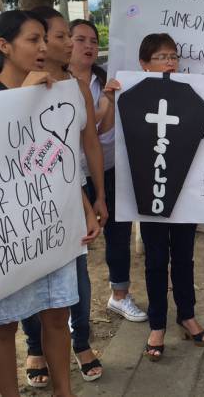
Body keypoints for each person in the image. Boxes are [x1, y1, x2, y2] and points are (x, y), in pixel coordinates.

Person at [0, 9, 100, 397]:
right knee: (4, 321)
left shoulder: (55, 91)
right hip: (5, 230)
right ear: (4, 46)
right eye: (32, 40)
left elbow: (59, 160)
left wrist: (86, 208)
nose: (42, 48)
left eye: (44, 39)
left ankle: (64, 391)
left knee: (58, 313)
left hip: (51, 222)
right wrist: (22, 97)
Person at [15, 8, 109, 386]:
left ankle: (81, 342)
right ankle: (35, 346)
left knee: (77, 277)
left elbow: (90, 145)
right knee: (30, 276)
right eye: (60, 36)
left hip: (74, 194)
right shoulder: (19, 88)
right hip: (28, 202)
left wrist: (99, 195)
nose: (69, 43)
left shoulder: (77, 87)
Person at [119, 33, 204, 361]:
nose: (170, 62)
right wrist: (111, 98)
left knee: (184, 256)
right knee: (156, 259)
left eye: (173, 56)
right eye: (161, 57)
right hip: (150, 191)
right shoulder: (131, 97)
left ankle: (187, 315)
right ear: (144, 64)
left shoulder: (190, 93)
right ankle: (157, 324)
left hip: (183, 192)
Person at [67, 19, 148, 325]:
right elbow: (78, 133)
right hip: (71, 176)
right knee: (76, 243)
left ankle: (120, 295)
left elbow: (101, 131)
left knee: (118, 233)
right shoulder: (57, 84)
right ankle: (73, 311)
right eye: (80, 39)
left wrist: (108, 105)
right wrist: (101, 108)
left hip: (109, 168)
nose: (88, 46)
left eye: (93, 40)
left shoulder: (107, 80)